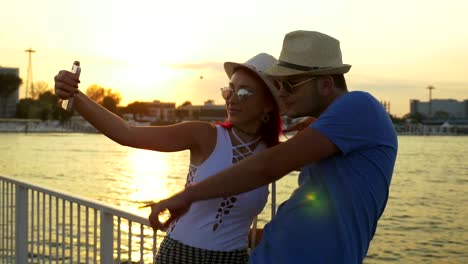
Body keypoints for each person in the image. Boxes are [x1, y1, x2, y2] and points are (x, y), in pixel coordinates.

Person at [148, 30, 398, 263]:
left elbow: (268, 167)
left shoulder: (359, 105)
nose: (282, 93)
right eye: (278, 84)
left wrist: (188, 195)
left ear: (325, 84)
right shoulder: (332, 131)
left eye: (290, 84)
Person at [54, 53, 282, 264]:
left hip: (232, 260)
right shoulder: (204, 135)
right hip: (178, 256)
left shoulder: (277, 155)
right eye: (229, 90)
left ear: (268, 104)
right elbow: (127, 134)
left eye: (243, 92)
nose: (232, 99)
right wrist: (75, 95)